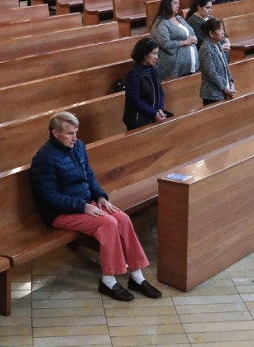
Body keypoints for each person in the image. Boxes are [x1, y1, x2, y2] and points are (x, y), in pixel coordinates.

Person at [30, 111, 162, 302]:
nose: (75, 138)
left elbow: (89, 175)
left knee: (122, 218)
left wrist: (100, 196)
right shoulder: (44, 158)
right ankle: (108, 281)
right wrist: (82, 206)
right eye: (69, 133)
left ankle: (137, 276)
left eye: (76, 132)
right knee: (108, 223)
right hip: (60, 212)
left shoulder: (78, 146)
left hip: (86, 202)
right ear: (55, 133)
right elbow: (48, 197)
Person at [122, 38, 168, 130]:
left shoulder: (154, 69)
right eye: (154, 53)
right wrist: (154, 113)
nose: (157, 57)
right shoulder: (134, 74)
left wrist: (160, 109)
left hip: (152, 115)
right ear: (145, 54)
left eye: (157, 53)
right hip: (138, 120)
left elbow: (160, 92)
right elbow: (134, 100)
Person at [151, 0, 199, 80]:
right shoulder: (161, 23)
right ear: (167, 5)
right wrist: (185, 42)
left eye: (178, 3)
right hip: (174, 67)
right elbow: (165, 43)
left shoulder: (179, 18)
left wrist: (194, 38)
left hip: (191, 65)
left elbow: (191, 32)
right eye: (175, 3)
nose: (178, 5)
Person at [199, 18, 235, 105]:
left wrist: (231, 82)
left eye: (222, 29)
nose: (223, 32)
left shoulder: (218, 44)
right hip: (212, 95)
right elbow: (211, 73)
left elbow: (225, 66)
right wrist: (225, 88)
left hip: (224, 90)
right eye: (220, 30)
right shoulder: (206, 48)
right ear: (211, 33)